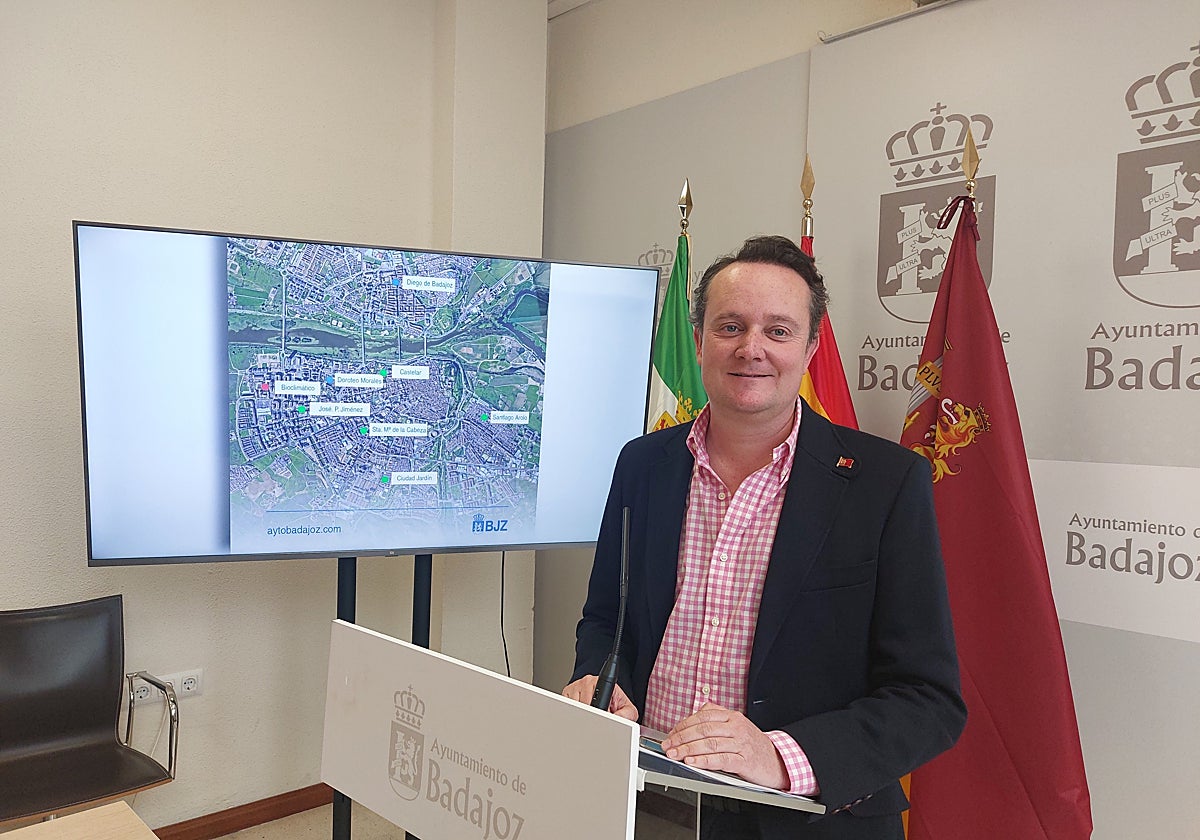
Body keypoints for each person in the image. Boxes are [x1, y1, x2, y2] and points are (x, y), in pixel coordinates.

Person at [563, 235, 965, 839]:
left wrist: (780, 758)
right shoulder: (643, 463)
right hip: (647, 803)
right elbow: (605, 619)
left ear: (810, 346)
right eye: (730, 326)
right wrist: (603, 680)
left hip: (806, 821)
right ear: (699, 340)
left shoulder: (886, 483)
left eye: (778, 330)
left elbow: (928, 698)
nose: (751, 348)